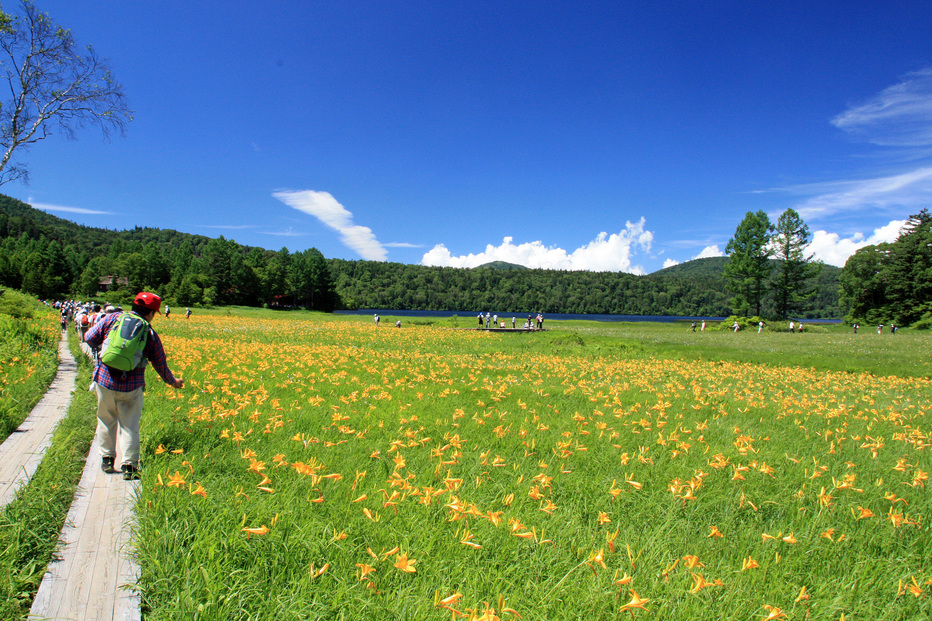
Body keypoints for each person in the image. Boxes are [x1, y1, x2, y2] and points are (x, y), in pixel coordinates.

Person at [83, 292, 184, 480]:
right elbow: (160, 364)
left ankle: (107, 459)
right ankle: (129, 466)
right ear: (152, 313)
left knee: (106, 419)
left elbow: (89, 337)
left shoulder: (113, 318)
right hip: (132, 386)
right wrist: (173, 382)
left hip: (104, 380)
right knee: (129, 425)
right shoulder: (149, 332)